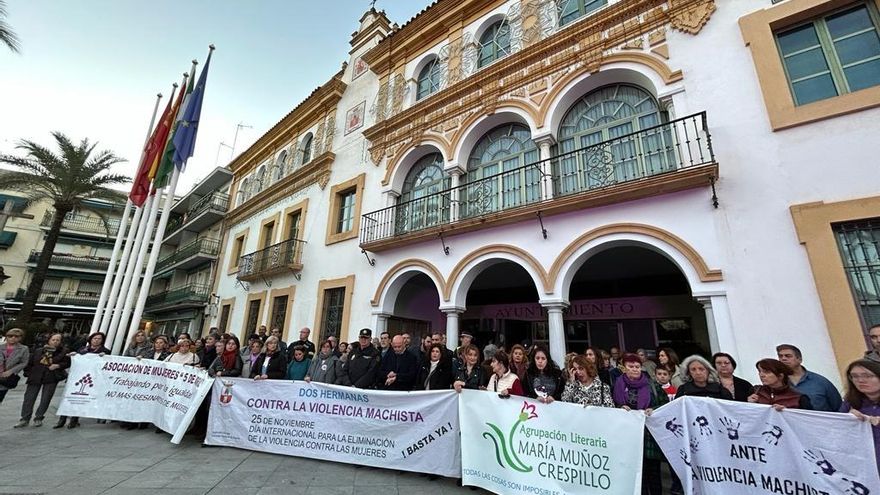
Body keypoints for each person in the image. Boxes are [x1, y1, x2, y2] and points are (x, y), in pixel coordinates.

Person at [612, 353, 668, 495]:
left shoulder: (652, 385)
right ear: (624, 368)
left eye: (637, 366)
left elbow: (665, 406)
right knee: (636, 476)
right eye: (631, 366)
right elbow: (610, 406)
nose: (635, 369)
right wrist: (620, 408)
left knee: (653, 474)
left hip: (649, 436)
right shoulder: (617, 385)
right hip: (628, 437)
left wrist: (653, 409)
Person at [15, 333, 69, 428]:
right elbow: (29, 362)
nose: (55, 341)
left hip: (51, 377)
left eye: (58, 340)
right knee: (29, 398)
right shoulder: (39, 351)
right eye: (53, 339)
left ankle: (39, 418)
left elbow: (67, 363)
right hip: (36, 376)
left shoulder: (63, 352)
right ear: (49, 340)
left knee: (46, 398)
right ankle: (24, 418)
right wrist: (28, 373)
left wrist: (58, 365)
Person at [56, 332, 109, 429]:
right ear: (90, 339)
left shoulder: (105, 351)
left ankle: (74, 419)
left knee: (80, 400)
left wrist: (104, 357)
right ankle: (62, 419)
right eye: (94, 338)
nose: (96, 340)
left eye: (99, 339)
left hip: (91, 378)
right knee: (69, 397)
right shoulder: (82, 350)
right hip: (77, 377)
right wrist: (74, 355)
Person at [839, 359, 880, 470]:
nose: (861, 380)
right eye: (855, 376)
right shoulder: (850, 403)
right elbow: (835, 430)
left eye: (867, 376)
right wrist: (848, 419)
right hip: (865, 465)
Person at [776, 344, 842, 412]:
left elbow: (839, 408)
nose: (783, 359)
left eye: (788, 356)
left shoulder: (820, 382)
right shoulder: (776, 383)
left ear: (799, 359)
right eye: (780, 356)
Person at [748, 358, 812, 410]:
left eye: (767, 372)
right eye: (759, 371)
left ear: (780, 376)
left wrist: (787, 413)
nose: (761, 375)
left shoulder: (798, 397)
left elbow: (809, 420)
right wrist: (748, 405)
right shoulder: (756, 391)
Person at [0, 328, 29, 403]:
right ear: (6, 336)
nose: (13, 338)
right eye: (10, 336)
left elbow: (24, 362)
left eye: (16, 336)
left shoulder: (24, 349)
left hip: (6, 377)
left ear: (20, 338)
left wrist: (11, 371)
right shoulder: (1, 347)